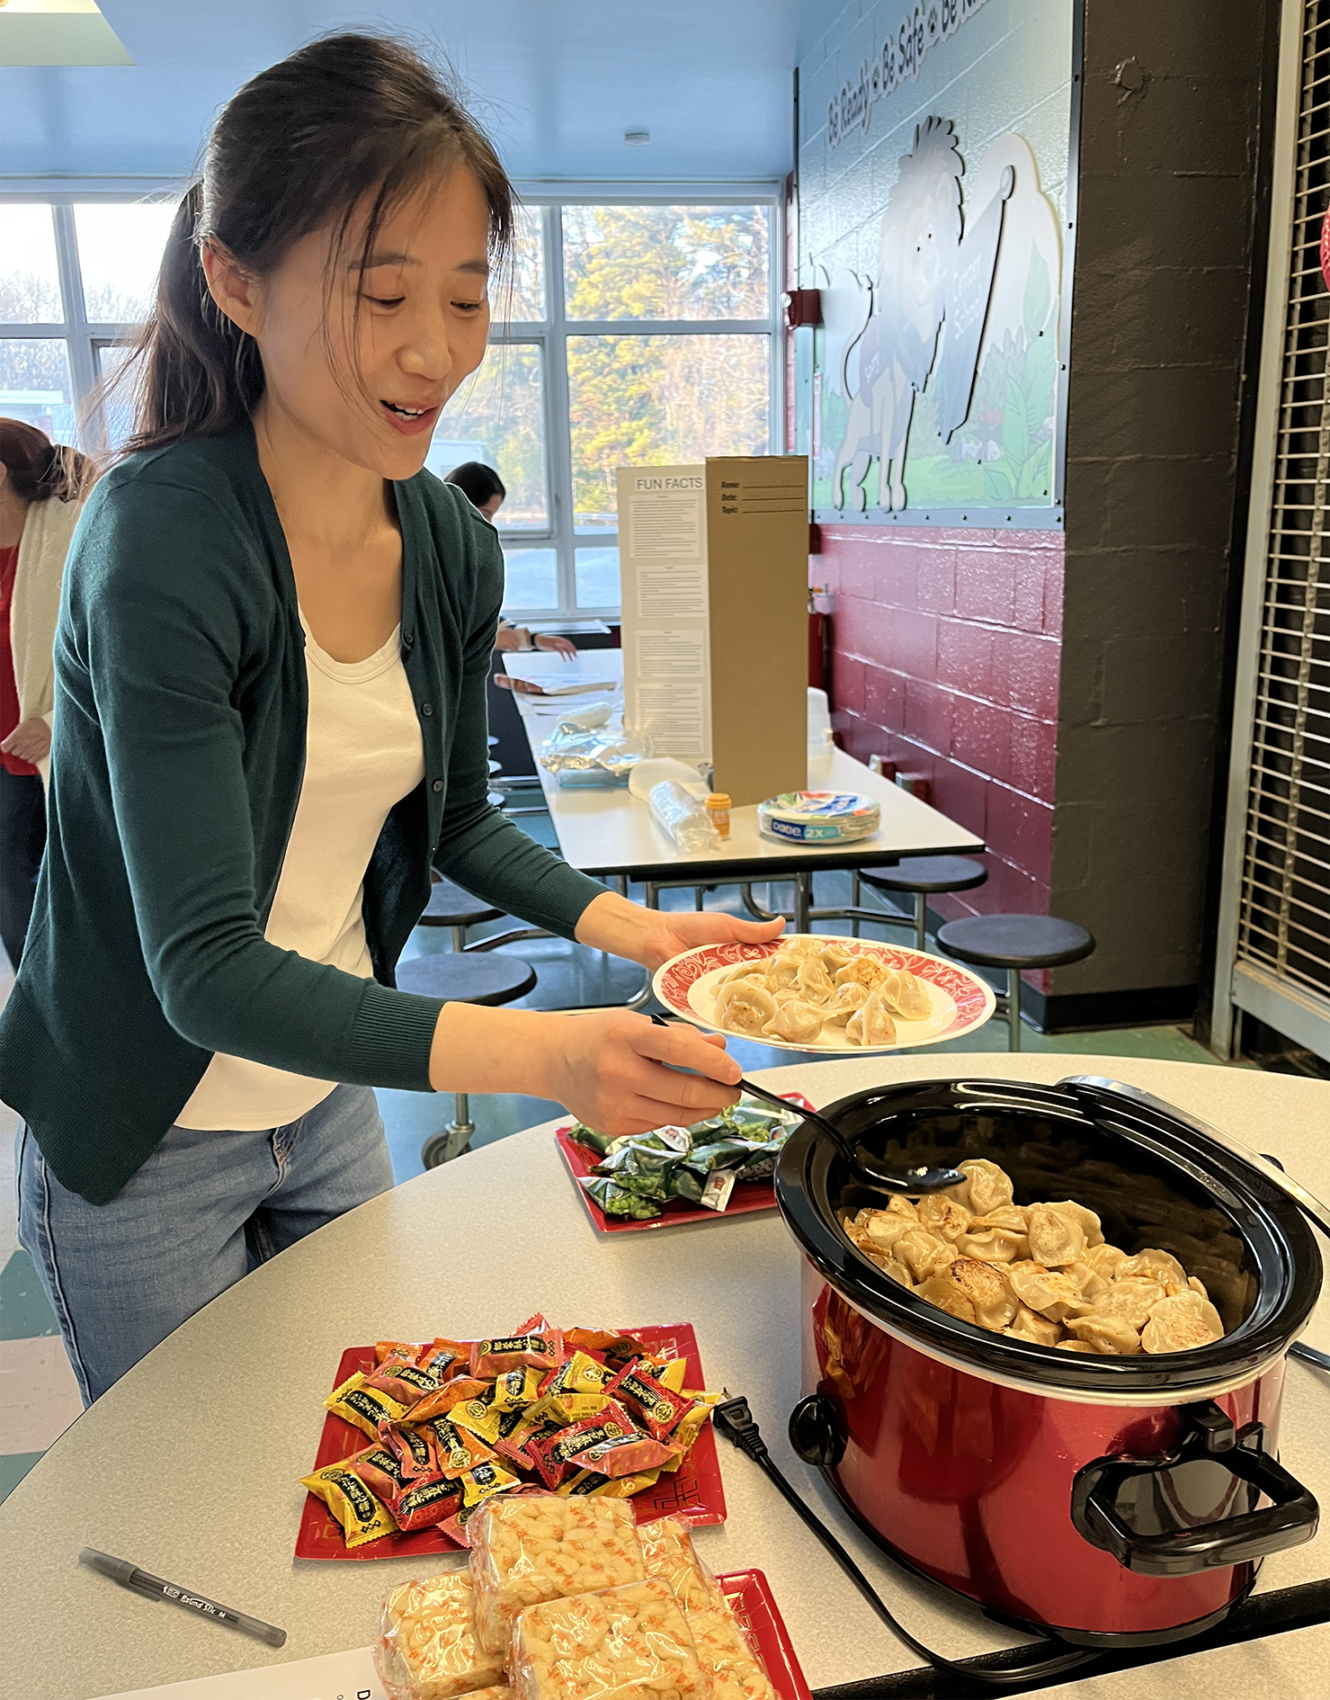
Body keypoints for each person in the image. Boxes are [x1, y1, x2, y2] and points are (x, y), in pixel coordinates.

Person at [0, 35, 781, 1407]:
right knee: (191, 1492)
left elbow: (458, 818)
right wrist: (552, 1055)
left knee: (367, 1448)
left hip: (323, 1099)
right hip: (144, 1135)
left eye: (467, 297)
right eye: (383, 294)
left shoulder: (448, 545)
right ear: (235, 282)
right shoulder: (163, 537)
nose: (436, 351)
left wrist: (635, 929)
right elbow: (203, 967)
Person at [0, 420, 94, 970]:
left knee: (73, 882)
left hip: (61, 745)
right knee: (11, 884)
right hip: (7, 753)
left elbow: (112, 650)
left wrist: (57, 721)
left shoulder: (70, 538)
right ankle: (40, 995)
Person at [444, 460, 577, 660]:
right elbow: (437, 631)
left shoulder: (466, 554)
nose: (488, 524)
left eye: (491, 516)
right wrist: (491, 640)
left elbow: (480, 616)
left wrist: (531, 639)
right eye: (484, 514)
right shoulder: (436, 554)